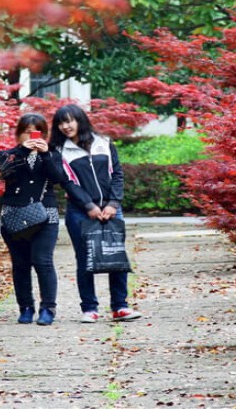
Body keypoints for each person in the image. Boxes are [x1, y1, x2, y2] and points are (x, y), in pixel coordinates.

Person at [49, 104, 142, 323]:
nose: (66, 126)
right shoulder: (60, 151)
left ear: (80, 120)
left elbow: (117, 174)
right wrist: (89, 206)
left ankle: (120, 307)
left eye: (70, 120)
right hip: (79, 213)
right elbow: (67, 182)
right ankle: (89, 308)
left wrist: (113, 203)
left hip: (112, 210)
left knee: (115, 256)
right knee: (85, 259)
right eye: (61, 122)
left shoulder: (104, 143)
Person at [0, 113, 65, 326]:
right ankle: (25, 307)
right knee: (20, 264)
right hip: (14, 215)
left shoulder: (52, 154)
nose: (33, 135)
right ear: (18, 133)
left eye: (38, 131)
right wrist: (25, 150)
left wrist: (44, 155)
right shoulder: (7, 154)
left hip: (46, 215)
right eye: (27, 131)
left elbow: (58, 179)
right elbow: (4, 173)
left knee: (43, 261)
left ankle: (48, 309)